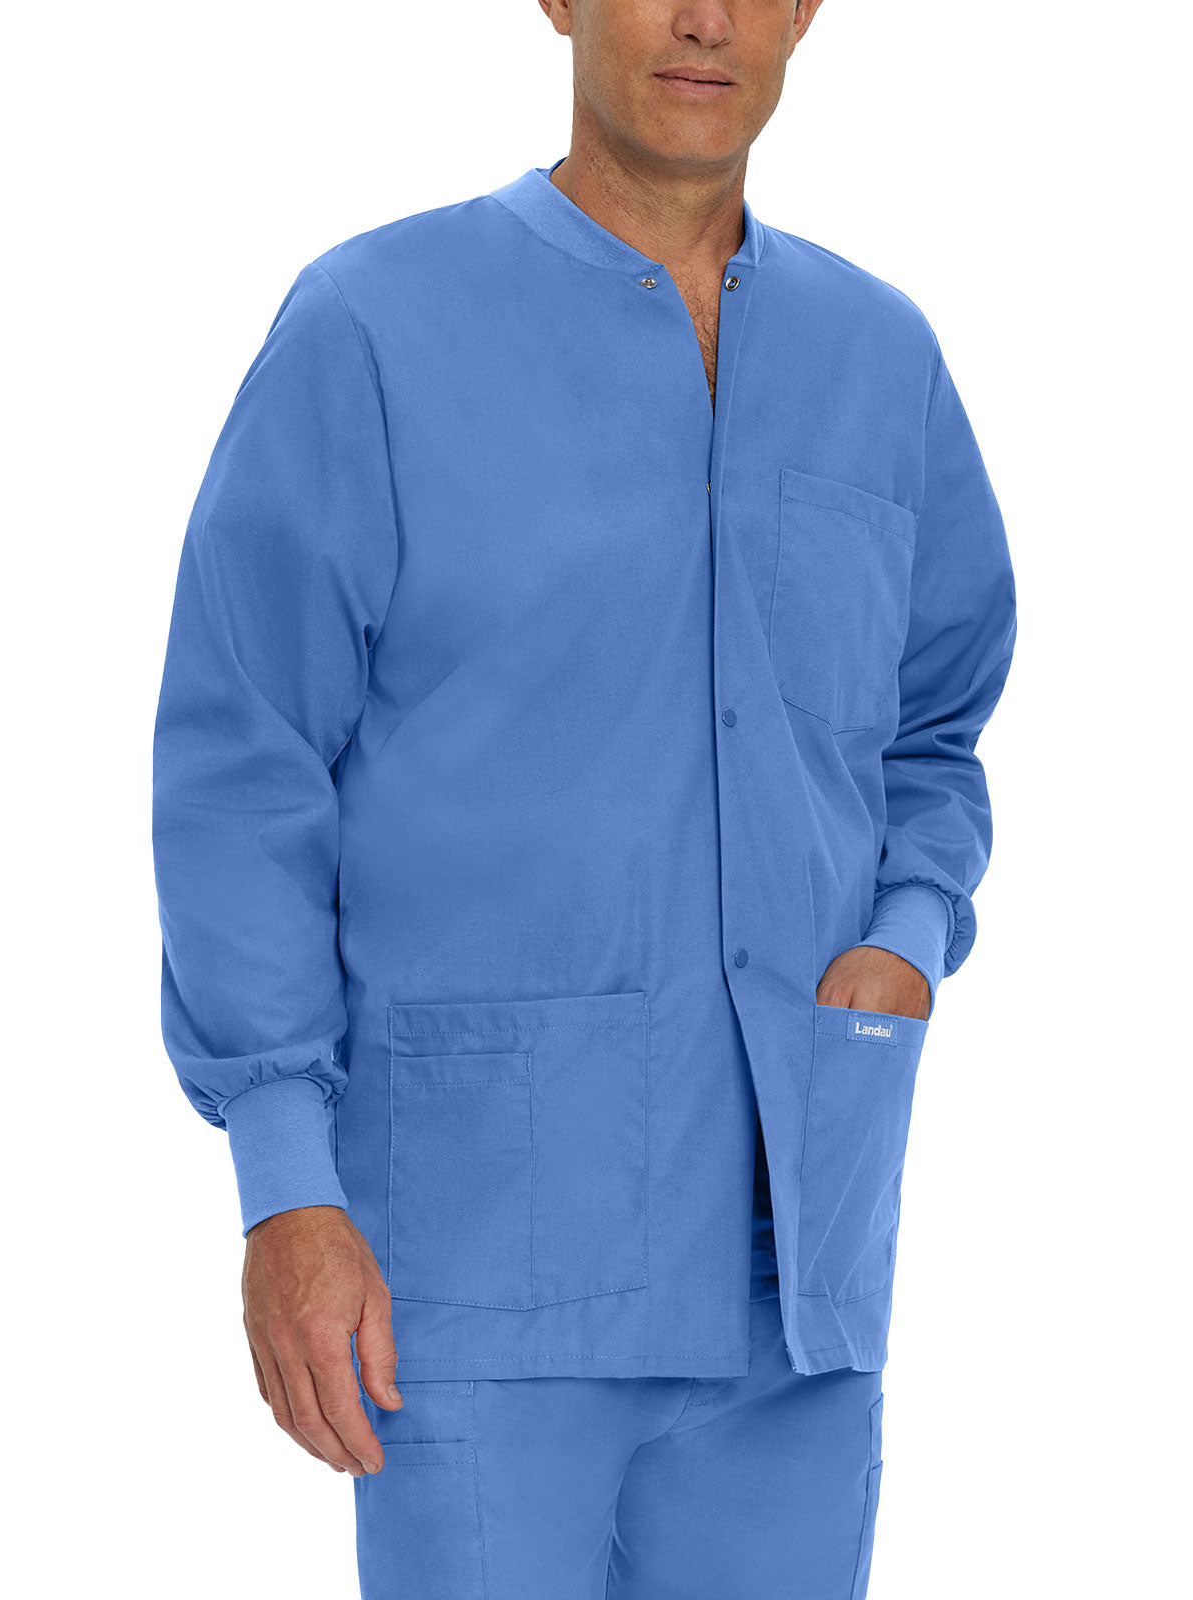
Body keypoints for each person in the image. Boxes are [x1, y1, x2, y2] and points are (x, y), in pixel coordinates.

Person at [151, 1, 1017, 1595]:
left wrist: (906, 935)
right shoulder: (372, 328)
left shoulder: (880, 359)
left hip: (799, 1281)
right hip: (471, 1278)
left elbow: (936, 721)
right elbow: (241, 766)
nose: (704, 19)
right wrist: (284, 1185)